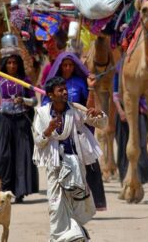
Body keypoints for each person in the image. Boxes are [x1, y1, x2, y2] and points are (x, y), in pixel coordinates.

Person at [33, 76, 107, 242]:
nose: (65, 92)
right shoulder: (42, 114)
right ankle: (62, 238)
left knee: (76, 203)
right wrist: (48, 130)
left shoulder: (76, 111)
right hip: (54, 166)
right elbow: (38, 142)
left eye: (65, 89)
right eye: (60, 90)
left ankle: (74, 234)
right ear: (51, 95)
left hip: (75, 165)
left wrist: (97, 114)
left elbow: (99, 123)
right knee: (55, 204)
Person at [42, 52, 107, 210]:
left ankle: (93, 203)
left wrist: (91, 87)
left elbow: (88, 108)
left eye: (71, 65)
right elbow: (44, 107)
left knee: (88, 165)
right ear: (59, 66)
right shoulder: (52, 84)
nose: (68, 68)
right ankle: (62, 204)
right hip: (59, 130)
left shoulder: (79, 82)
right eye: (65, 65)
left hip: (77, 129)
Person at [0, 53, 39, 203]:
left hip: (21, 123)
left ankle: (19, 192)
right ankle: (2, 189)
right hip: (4, 122)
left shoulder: (25, 80)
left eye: (15, 63)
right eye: (9, 63)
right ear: (5, 65)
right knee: (0, 157)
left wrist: (24, 100)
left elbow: (34, 101)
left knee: (21, 156)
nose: (12, 66)